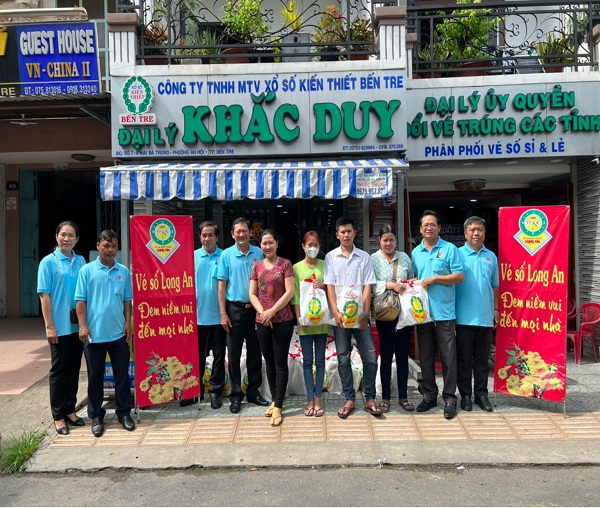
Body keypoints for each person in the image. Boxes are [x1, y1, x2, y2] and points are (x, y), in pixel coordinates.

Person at [75, 230, 135, 437]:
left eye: (113, 246)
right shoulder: (87, 271)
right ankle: (96, 416)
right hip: (94, 336)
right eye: (106, 246)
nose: (110, 250)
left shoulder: (123, 271)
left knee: (122, 376)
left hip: (118, 334)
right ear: (98, 246)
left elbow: (127, 300)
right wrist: (82, 325)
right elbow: (80, 300)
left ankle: (124, 413)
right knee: (95, 378)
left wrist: (127, 323)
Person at [324, 217, 381, 419]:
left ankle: (370, 399)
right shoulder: (331, 257)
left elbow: (367, 286)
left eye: (349, 231)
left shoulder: (364, 257)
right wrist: (335, 312)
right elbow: (330, 286)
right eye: (343, 232)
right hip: (340, 318)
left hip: (361, 317)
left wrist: (365, 313)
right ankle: (349, 398)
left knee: (370, 357)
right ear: (337, 235)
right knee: (343, 357)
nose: (346, 235)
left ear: (355, 233)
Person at [411, 210, 464, 420]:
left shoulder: (450, 249)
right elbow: (416, 277)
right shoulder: (416, 252)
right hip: (423, 313)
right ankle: (430, 395)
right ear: (420, 229)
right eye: (425, 225)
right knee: (425, 357)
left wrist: (436, 279)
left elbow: (459, 277)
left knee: (449, 357)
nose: (429, 227)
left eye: (432, 224)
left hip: (445, 313)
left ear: (439, 228)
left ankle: (450, 397)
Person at [37, 220, 87, 435]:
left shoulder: (81, 261)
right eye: (63, 235)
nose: (67, 239)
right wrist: (50, 326)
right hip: (59, 326)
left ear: (77, 239)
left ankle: (70, 410)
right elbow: (44, 295)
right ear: (56, 236)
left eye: (71, 235)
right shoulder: (48, 262)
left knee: (74, 369)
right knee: (59, 371)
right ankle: (58, 416)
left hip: (78, 326)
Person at [217, 217, 268, 413]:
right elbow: (221, 286)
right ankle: (236, 395)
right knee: (234, 353)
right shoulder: (226, 255)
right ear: (232, 234)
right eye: (237, 231)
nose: (241, 234)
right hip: (235, 309)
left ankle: (254, 392)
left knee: (255, 351)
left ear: (250, 233)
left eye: (244, 231)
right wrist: (223, 313)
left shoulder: (258, 253)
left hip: (255, 309)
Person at [249, 229, 295, 426]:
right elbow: (252, 294)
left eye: (270, 242)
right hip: (262, 321)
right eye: (264, 243)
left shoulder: (285, 264)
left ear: (277, 244)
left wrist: (272, 311)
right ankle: (275, 400)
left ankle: (279, 405)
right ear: (260, 245)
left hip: (282, 320)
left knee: (280, 362)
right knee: (268, 362)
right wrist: (262, 313)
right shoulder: (256, 266)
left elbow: (290, 292)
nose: (267, 246)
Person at [180, 221, 226, 409]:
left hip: (219, 316)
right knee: (196, 356)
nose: (207, 239)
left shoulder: (224, 257)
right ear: (199, 237)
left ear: (217, 237)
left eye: (210, 235)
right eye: (204, 235)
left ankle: (215, 391)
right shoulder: (190, 257)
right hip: (196, 317)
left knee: (219, 356)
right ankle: (194, 391)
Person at [455, 216, 499, 413]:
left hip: (485, 317)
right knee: (464, 360)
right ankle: (465, 395)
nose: (476, 233)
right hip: (463, 317)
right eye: (472, 230)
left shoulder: (491, 256)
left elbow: (495, 285)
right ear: (465, 234)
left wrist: (496, 309)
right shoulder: (457, 254)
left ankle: (481, 395)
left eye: (479, 229)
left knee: (482, 360)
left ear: (484, 233)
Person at [370, 224, 415, 413]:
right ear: (379, 241)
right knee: (386, 354)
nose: (388, 243)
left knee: (403, 354)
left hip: (403, 313)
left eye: (391, 240)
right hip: (384, 314)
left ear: (396, 240)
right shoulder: (372, 259)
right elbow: (370, 284)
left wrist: (407, 284)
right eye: (385, 240)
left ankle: (404, 396)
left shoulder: (404, 258)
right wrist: (390, 285)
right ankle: (386, 397)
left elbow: (412, 279)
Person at [292, 231, 328, 418]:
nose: (312, 248)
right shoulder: (296, 268)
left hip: (321, 322)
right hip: (305, 323)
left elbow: (332, 288)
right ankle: (310, 399)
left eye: (315, 245)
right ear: (303, 246)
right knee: (307, 362)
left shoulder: (325, 265)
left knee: (320, 361)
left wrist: (322, 286)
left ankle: (319, 399)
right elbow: (295, 295)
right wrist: (299, 318)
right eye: (309, 244)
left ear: (319, 246)